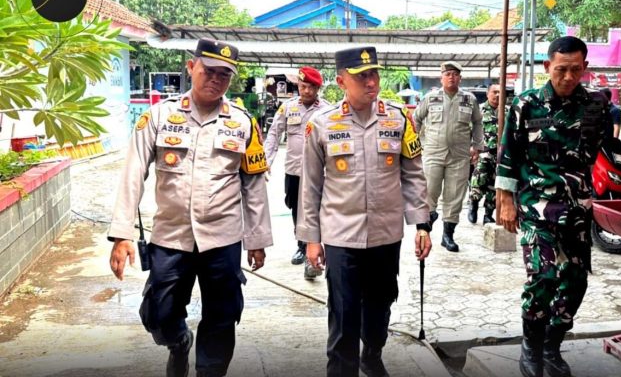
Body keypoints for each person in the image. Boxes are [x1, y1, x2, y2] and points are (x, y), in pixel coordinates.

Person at [108, 38, 272, 377]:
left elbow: (254, 185)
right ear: (191, 67)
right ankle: (178, 341)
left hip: (222, 239)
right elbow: (133, 173)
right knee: (159, 315)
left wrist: (257, 238)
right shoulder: (159, 116)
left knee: (222, 316)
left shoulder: (243, 123)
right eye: (209, 71)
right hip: (171, 236)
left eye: (224, 75)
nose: (215, 80)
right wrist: (121, 234)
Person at [297, 46, 433, 377]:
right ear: (342, 81)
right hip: (341, 235)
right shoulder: (322, 125)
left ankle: (372, 354)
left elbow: (413, 174)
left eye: (374, 74)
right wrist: (311, 240)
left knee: (380, 304)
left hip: (386, 235)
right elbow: (310, 187)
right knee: (343, 312)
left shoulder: (398, 118)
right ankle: (341, 369)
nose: (371, 82)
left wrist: (422, 225)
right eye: (361, 77)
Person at [496, 36, 609, 377]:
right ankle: (530, 348)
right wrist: (505, 201)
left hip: (575, 210)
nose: (568, 76)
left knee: (575, 282)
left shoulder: (595, 106)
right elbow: (509, 153)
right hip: (535, 207)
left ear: (585, 68)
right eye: (561, 69)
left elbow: (595, 153)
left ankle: (552, 346)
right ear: (547, 67)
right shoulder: (527, 104)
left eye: (576, 69)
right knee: (542, 277)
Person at [264, 66, 329, 279]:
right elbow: (274, 134)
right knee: (294, 207)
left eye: (311, 87)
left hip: (318, 172)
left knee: (315, 209)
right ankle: (301, 244)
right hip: (293, 169)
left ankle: (315, 246)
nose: (306, 90)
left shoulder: (326, 111)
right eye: (303, 86)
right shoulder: (287, 108)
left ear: (317, 88)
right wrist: (265, 163)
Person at [413, 61, 484, 252]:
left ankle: (448, 235)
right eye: (448, 74)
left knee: (454, 196)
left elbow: (477, 123)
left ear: (460, 78)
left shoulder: (469, 99)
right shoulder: (430, 98)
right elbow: (416, 120)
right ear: (441, 77)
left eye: (455, 74)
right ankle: (425, 228)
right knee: (429, 192)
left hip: (459, 156)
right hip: (433, 153)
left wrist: (477, 146)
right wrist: (416, 145)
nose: (451, 77)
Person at [468, 83, 501, 225]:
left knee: (495, 185)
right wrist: (470, 148)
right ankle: (473, 205)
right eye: (494, 92)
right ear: (488, 94)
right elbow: (468, 130)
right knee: (478, 180)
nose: (498, 95)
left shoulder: (507, 111)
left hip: (500, 155)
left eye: (500, 92)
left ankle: (488, 214)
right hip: (483, 153)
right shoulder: (479, 110)